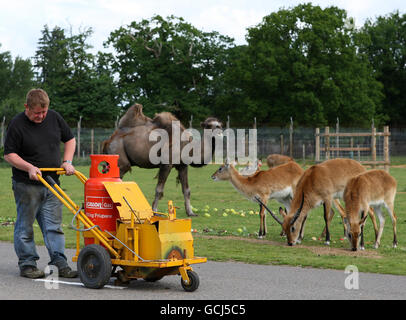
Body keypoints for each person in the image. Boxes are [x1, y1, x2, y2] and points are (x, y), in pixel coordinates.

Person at [4, 88, 78, 279]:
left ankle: (59, 262)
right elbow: (9, 154)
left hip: (52, 182)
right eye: (37, 112)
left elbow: (70, 139)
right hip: (26, 185)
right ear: (26, 107)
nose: (41, 116)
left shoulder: (54, 118)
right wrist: (29, 167)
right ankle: (28, 264)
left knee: (54, 225)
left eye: (44, 112)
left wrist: (67, 162)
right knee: (25, 226)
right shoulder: (16, 124)